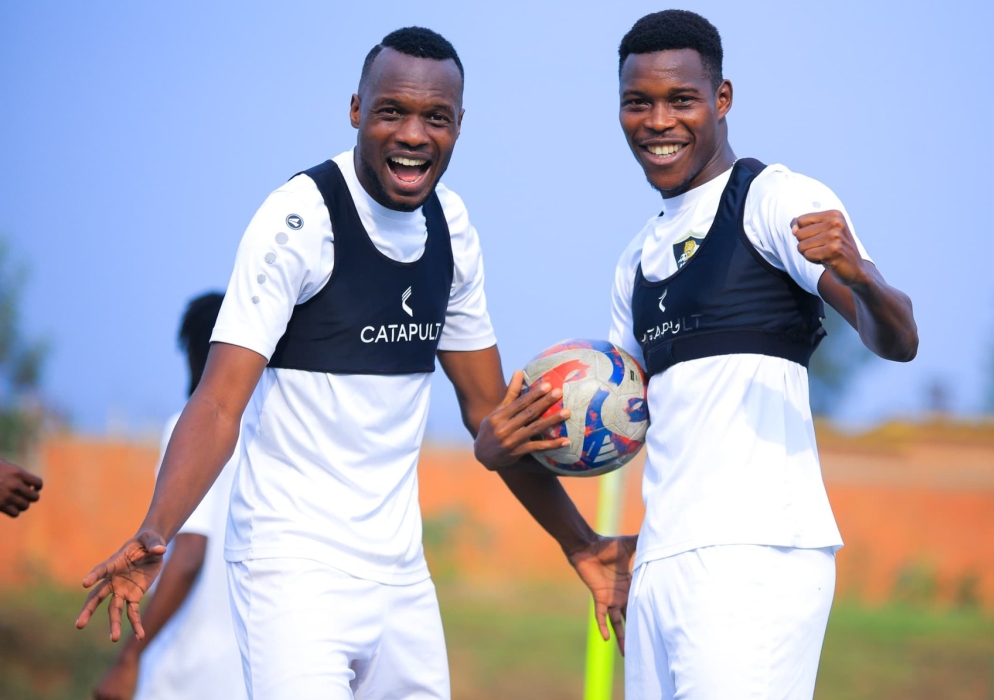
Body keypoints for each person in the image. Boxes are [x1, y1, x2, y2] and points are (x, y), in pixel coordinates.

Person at [76, 27, 626, 700]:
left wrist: (580, 543)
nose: (414, 134)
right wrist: (156, 529)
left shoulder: (451, 229)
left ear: (459, 124)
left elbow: (487, 410)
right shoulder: (298, 221)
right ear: (356, 110)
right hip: (292, 566)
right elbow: (219, 403)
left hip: (399, 571)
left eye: (436, 117)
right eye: (392, 111)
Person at [498, 10, 918, 699]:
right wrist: (515, 437)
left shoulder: (775, 198)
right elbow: (617, 415)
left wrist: (863, 276)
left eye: (681, 100)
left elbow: (896, 342)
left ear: (721, 100)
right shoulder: (635, 259)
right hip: (659, 561)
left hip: (757, 556)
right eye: (639, 102)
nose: (658, 121)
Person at [93, 293, 247, 700]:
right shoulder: (270, 434)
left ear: (200, 353)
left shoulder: (188, 431)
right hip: (261, 670)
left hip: (192, 673)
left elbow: (189, 554)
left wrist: (129, 658)